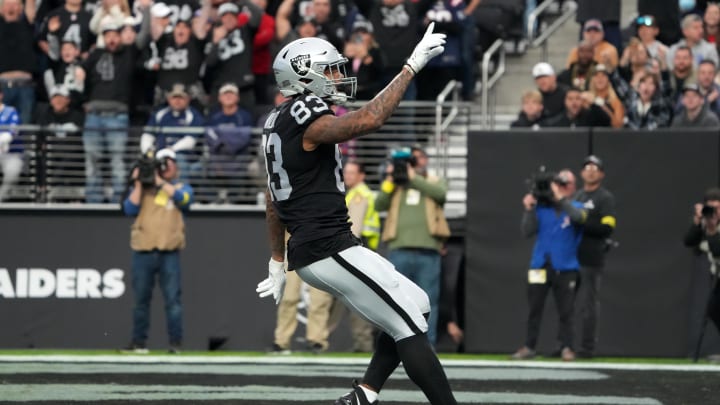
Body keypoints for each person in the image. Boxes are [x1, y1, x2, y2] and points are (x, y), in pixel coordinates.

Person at [255, 24, 457, 405]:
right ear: (304, 74)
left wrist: (276, 258)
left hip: (323, 245)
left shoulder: (276, 121)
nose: (338, 77)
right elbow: (366, 121)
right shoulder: (305, 112)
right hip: (326, 247)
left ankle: (364, 394)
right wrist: (410, 68)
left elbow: (272, 198)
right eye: (329, 69)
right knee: (409, 325)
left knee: (419, 304)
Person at [376, 145, 450, 347]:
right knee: (397, 301)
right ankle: (396, 346)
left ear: (424, 160)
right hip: (399, 250)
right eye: (410, 161)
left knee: (428, 301)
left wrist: (413, 178)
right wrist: (391, 180)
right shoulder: (396, 185)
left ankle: (428, 346)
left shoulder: (433, 181)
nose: (413, 165)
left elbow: (441, 195)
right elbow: (378, 205)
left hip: (429, 250)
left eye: (416, 160)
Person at [121, 148, 194, 354]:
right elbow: (129, 209)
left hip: (168, 252)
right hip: (143, 251)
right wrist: (138, 182)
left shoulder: (181, 186)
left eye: (169, 162)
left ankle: (175, 344)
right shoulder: (143, 189)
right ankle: (138, 342)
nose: (166, 166)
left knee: (173, 301)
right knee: (140, 301)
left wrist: (160, 182)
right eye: (163, 163)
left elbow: (185, 200)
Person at [511, 169, 586, 362]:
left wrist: (560, 199)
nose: (559, 188)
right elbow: (527, 231)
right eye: (557, 184)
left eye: (564, 184)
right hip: (540, 264)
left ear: (572, 187)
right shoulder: (540, 208)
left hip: (566, 266)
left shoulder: (577, 205)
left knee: (566, 310)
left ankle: (567, 347)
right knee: (534, 308)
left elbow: (579, 218)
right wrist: (528, 209)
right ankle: (529, 346)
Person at [327, 160, 380, 353]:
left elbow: (354, 230)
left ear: (361, 175)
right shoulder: (355, 193)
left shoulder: (359, 195)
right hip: (361, 251)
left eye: (351, 173)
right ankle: (360, 342)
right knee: (354, 297)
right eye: (345, 172)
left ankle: (362, 343)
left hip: (357, 252)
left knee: (357, 298)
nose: (346, 176)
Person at [573, 155, 616, 359]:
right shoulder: (578, 196)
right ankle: (564, 346)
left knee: (589, 305)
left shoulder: (604, 198)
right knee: (568, 305)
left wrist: (583, 220)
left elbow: (607, 228)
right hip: (572, 256)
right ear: (581, 173)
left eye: (595, 167)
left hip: (592, 257)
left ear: (601, 174)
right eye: (587, 167)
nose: (590, 170)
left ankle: (587, 348)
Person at [140, 83, 204, 183]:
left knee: (180, 162)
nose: (177, 101)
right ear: (169, 99)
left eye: (181, 98)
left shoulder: (193, 115)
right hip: (158, 153)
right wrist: (147, 152)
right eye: (174, 97)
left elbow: (190, 141)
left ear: (188, 99)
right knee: (143, 164)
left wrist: (172, 149)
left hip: (182, 155)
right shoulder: (160, 113)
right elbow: (147, 135)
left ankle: (180, 195)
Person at [683, 187, 720, 360]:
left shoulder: (713, 227)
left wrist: (712, 230)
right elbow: (689, 241)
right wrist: (698, 222)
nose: (714, 212)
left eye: (717, 208)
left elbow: (718, 250)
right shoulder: (707, 222)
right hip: (717, 274)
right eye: (710, 207)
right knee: (714, 309)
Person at [203, 83, 253, 204]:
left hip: (238, 158)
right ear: (219, 98)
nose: (228, 96)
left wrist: (224, 141)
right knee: (204, 167)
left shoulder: (244, 116)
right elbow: (209, 134)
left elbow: (244, 137)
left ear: (238, 98)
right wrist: (223, 142)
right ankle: (213, 202)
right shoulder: (214, 116)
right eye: (225, 94)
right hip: (217, 158)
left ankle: (235, 202)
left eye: (232, 94)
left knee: (242, 171)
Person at [0, 0, 38, 125]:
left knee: (25, 129)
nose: (11, 7)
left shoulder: (27, 25)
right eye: (7, 4)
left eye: (15, 4)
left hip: (25, 87)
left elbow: (30, 7)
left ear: (21, 8)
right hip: (2, 87)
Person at [0, 87, 21, 203]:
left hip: (10, 153)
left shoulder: (10, 111)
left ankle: (1, 198)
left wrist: (3, 139)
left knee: (13, 171)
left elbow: (14, 130)